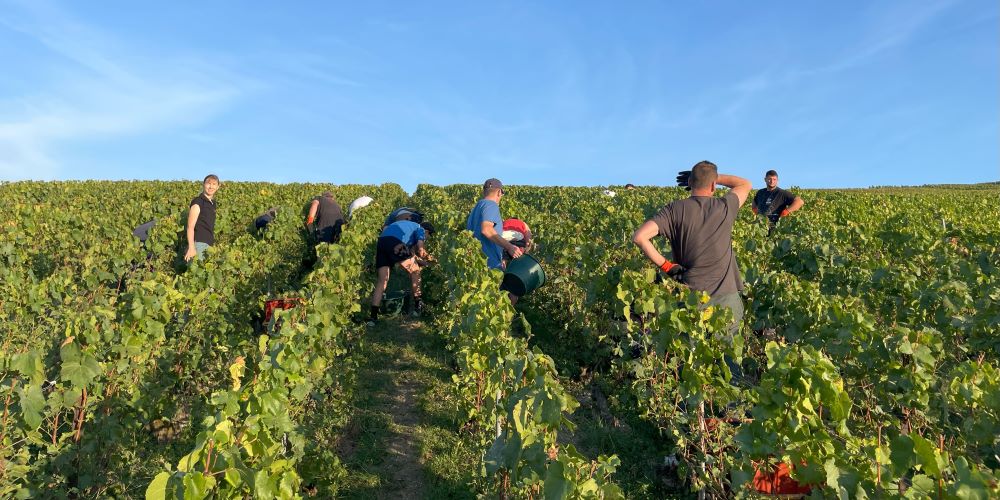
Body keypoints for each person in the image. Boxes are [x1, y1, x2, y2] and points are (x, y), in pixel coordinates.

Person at [631, 161, 752, 344]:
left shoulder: (673, 209)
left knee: (691, 360)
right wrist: (714, 177)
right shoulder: (725, 206)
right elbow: (745, 184)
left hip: (691, 296)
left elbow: (640, 237)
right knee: (728, 360)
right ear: (713, 185)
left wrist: (667, 266)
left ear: (690, 183)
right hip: (725, 298)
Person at [368, 220, 435, 325]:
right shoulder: (420, 229)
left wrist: (425, 263)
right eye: (428, 237)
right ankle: (418, 306)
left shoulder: (408, 229)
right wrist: (434, 260)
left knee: (383, 281)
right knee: (415, 271)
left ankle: (373, 317)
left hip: (382, 241)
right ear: (426, 231)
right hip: (395, 241)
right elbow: (421, 251)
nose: (426, 239)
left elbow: (412, 256)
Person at [466, 178, 523, 271]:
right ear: (499, 192)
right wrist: (510, 247)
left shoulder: (477, 207)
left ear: (484, 191)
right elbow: (486, 230)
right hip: (489, 266)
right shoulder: (491, 205)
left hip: (475, 265)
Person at [184, 174, 219, 261]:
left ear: (218, 187)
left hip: (208, 245)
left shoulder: (212, 203)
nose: (211, 186)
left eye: (214, 184)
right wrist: (192, 248)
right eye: (208, 183)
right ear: (203, 185)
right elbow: (190, 227)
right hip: (198, 244)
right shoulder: (198, 202)